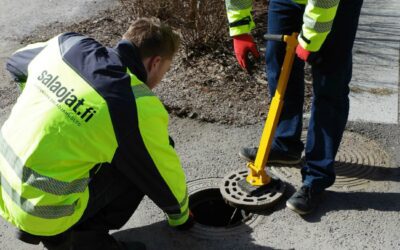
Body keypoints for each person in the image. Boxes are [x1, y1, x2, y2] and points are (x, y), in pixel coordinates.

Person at [0, 18, 193, 249]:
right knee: (139, 158)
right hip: (46, 213)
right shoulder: (132, 102)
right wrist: (181, 217)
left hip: (5, 188)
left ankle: (46, 226)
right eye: (166, 69)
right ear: (156, 63)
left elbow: (15, 63)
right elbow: (160, 171)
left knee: (111, 144)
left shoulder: (67, 45)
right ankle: (87, 241)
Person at [225, 0, 364, 214]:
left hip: (336, 6)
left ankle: (316, 176)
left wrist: (310, 39)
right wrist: (240, 28)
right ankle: (286, 144)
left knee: (330, 85)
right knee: (280, 68)